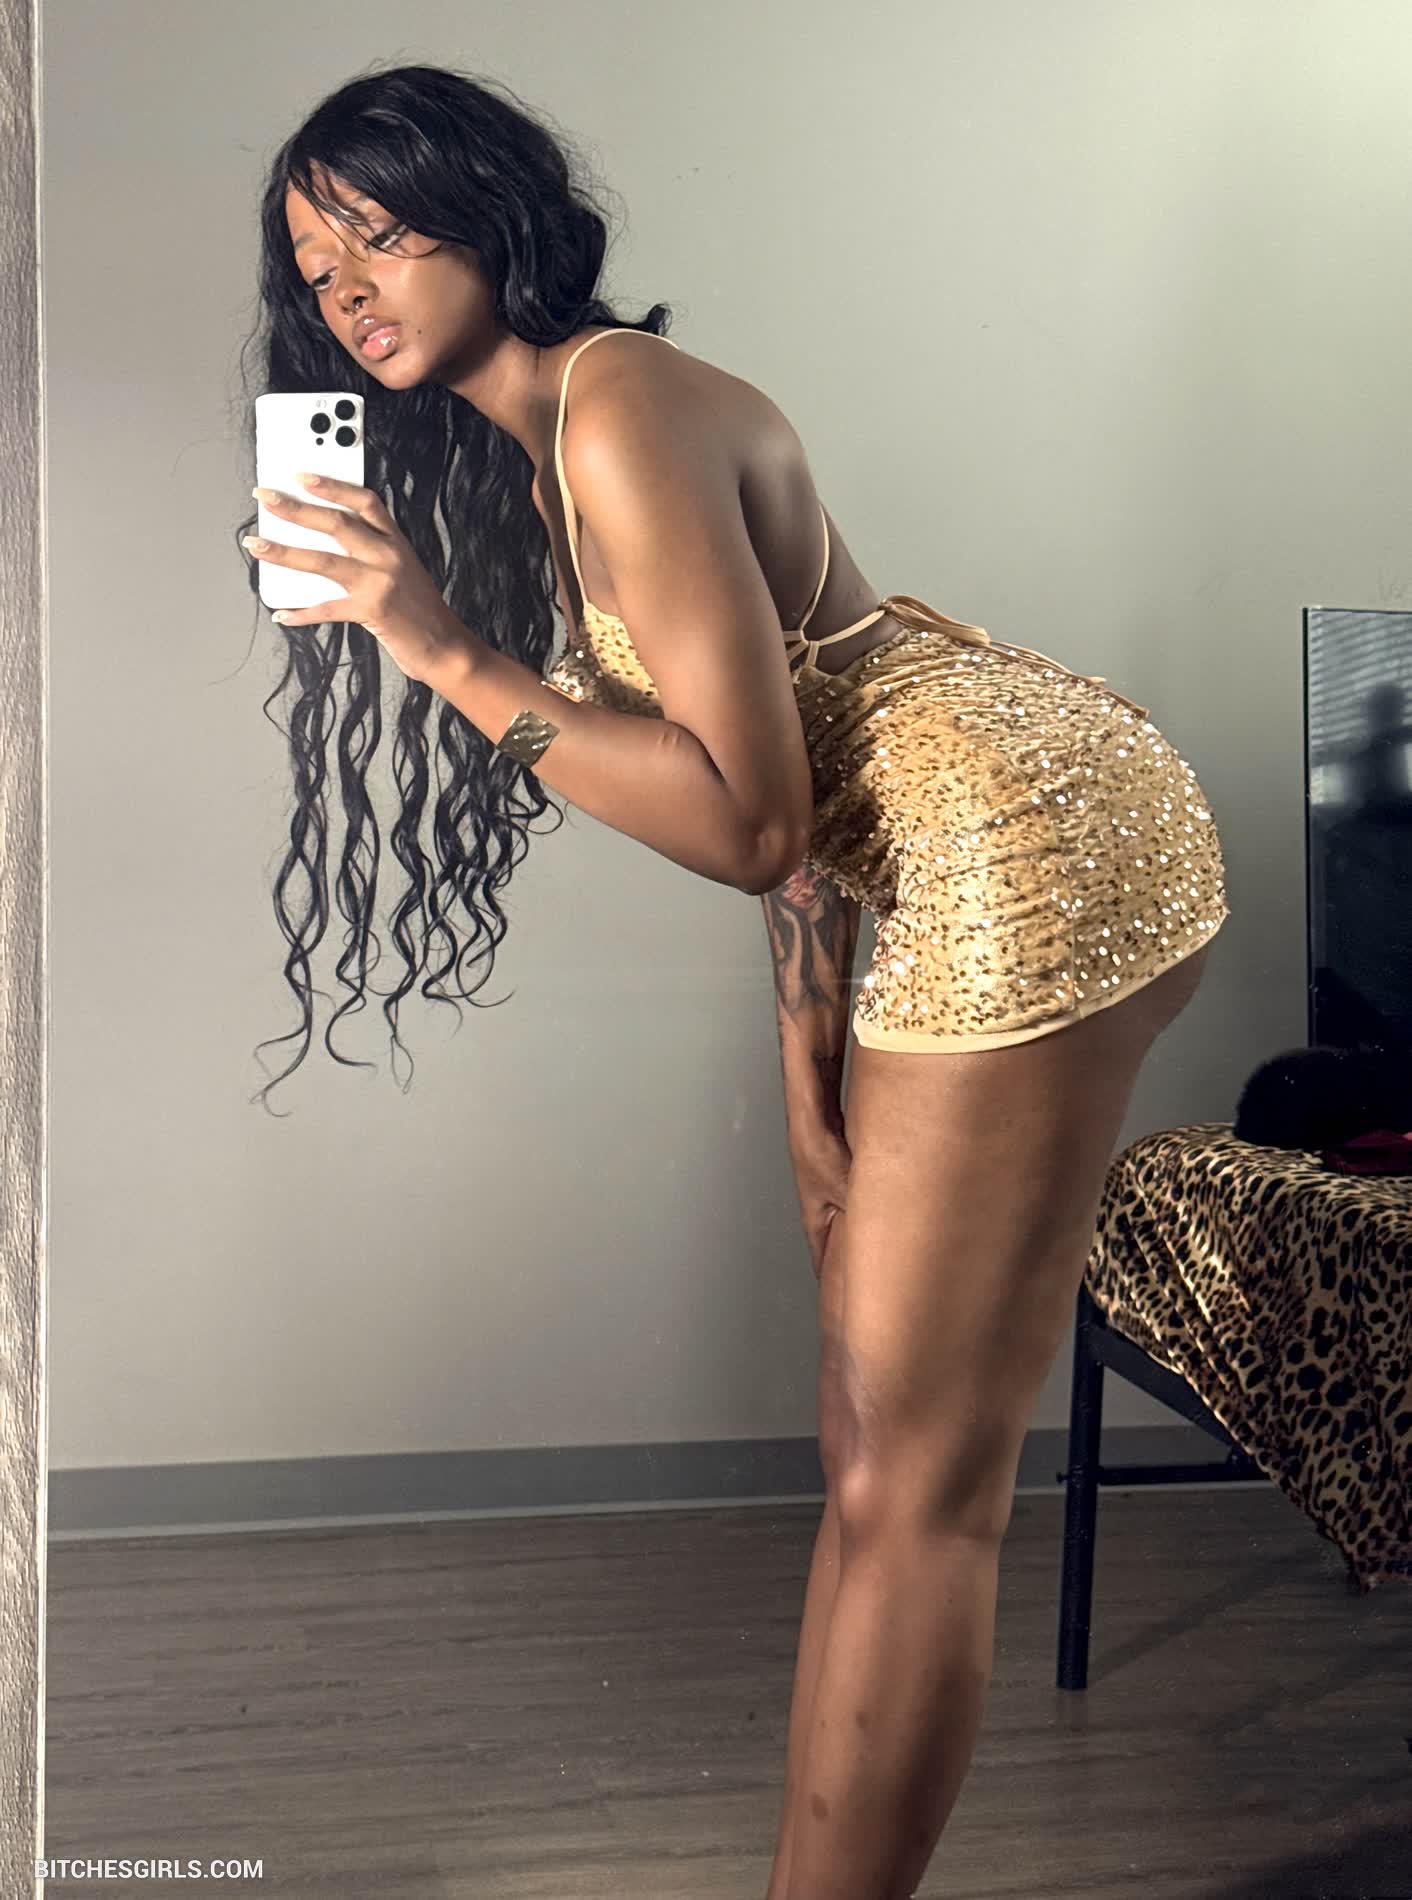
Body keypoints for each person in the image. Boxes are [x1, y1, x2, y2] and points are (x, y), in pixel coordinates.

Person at [239, 60, 1230, 1900]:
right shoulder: (563, 436)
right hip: (928, 852)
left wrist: (436, 643)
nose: (345, 287)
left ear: (491, 210)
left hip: (1031, 834)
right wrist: (808, 1099)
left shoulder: (621, 410)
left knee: (915, 1484)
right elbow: (781, 806)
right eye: (313, 266)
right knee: (867, 1454)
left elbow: (752, 815)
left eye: (375, 231)